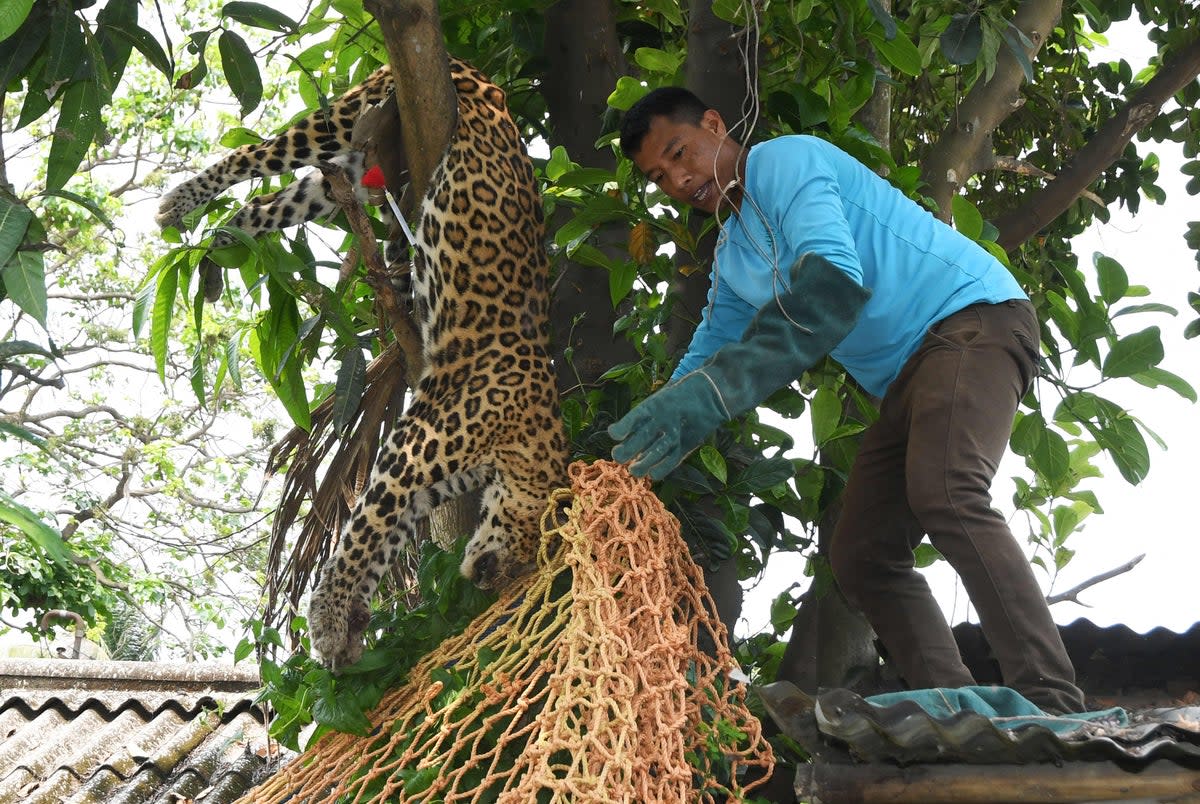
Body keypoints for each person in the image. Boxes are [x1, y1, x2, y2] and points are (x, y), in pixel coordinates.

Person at [608, 86, 1086, 715]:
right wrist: (624, 446)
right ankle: (960, 708)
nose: (677, 178)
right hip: (908, 378)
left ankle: (1051, 699)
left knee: (946, 491)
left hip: (971, 322)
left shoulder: (783, 161)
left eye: (680, 152)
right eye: (658, 174)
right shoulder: (734, 257)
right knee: (861, 552)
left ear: (716, 123)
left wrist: (712, 395)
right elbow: (705, 359)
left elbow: (833, 281)